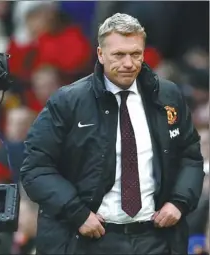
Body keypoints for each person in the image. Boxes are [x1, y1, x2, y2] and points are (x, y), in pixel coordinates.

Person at [20, 13, 204, 254]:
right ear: (100, 54)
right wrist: (77, 213)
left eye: (136, 54)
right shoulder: (67, 102)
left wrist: (179, 201)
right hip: (88, 239)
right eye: (119, 55)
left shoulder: (168, 95)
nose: (128, 63)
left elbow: (190, 156)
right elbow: (36, 168)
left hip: (156, 237)